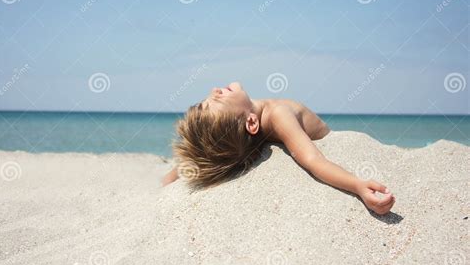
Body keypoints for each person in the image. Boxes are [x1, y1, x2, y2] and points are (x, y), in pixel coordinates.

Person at [162, 82, 395, 215]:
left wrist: (169, 178)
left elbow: (198, 153)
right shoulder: (278, 114)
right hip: (330, 136)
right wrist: (357, 186)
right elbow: (313, 160)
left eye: (210, 98)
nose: (215, 90)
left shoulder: (250, 118)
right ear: (251, 123)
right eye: (218, 99)